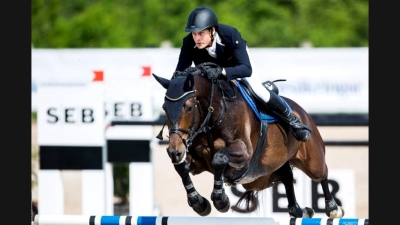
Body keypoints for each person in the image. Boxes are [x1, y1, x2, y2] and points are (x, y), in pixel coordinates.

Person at [174, 6, 311, 142]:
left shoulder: (230, 35)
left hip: (237, 64)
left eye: (201, 33)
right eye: (194, 34)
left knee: (258, 90)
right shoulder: (188, 42)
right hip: (212, 74)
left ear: (212, 30)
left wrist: (222, 71)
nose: (197, 38)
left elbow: (246, 69)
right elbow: (180, 72)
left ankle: (293, 121)